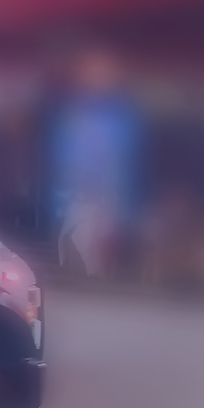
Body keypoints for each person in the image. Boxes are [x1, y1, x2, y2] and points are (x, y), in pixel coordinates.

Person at [49, 51, 142, 278]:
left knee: (99, 255)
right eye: (89, 72)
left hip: (109, 201)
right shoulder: (69, 115)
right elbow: (60, 159)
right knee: (72, 247)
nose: (95, 79)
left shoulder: (123, 118)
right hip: (72, 198)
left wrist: (120, 205)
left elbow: (127, 165)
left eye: (102, 73)